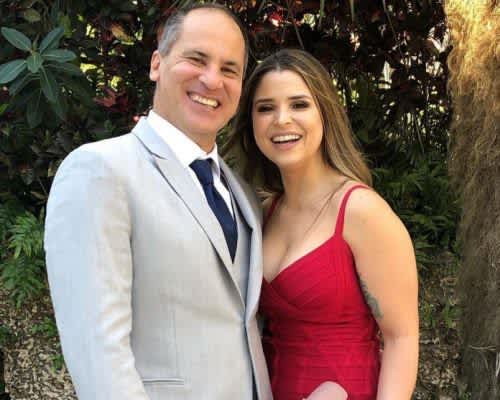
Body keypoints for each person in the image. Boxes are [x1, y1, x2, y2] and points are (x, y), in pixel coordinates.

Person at [44, 4, 272, 400]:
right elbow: (99, 351)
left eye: (229, 69)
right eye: (196, 59)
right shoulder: (100, 171)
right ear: (156, 64)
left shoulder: (243, 194)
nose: (212, 80)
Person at [227, 49, 419, 400]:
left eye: (299, 104)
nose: (281, 119)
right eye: (265, 108)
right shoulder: (262, 212)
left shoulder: (362, 212)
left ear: (325, 113)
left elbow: (401, 338)